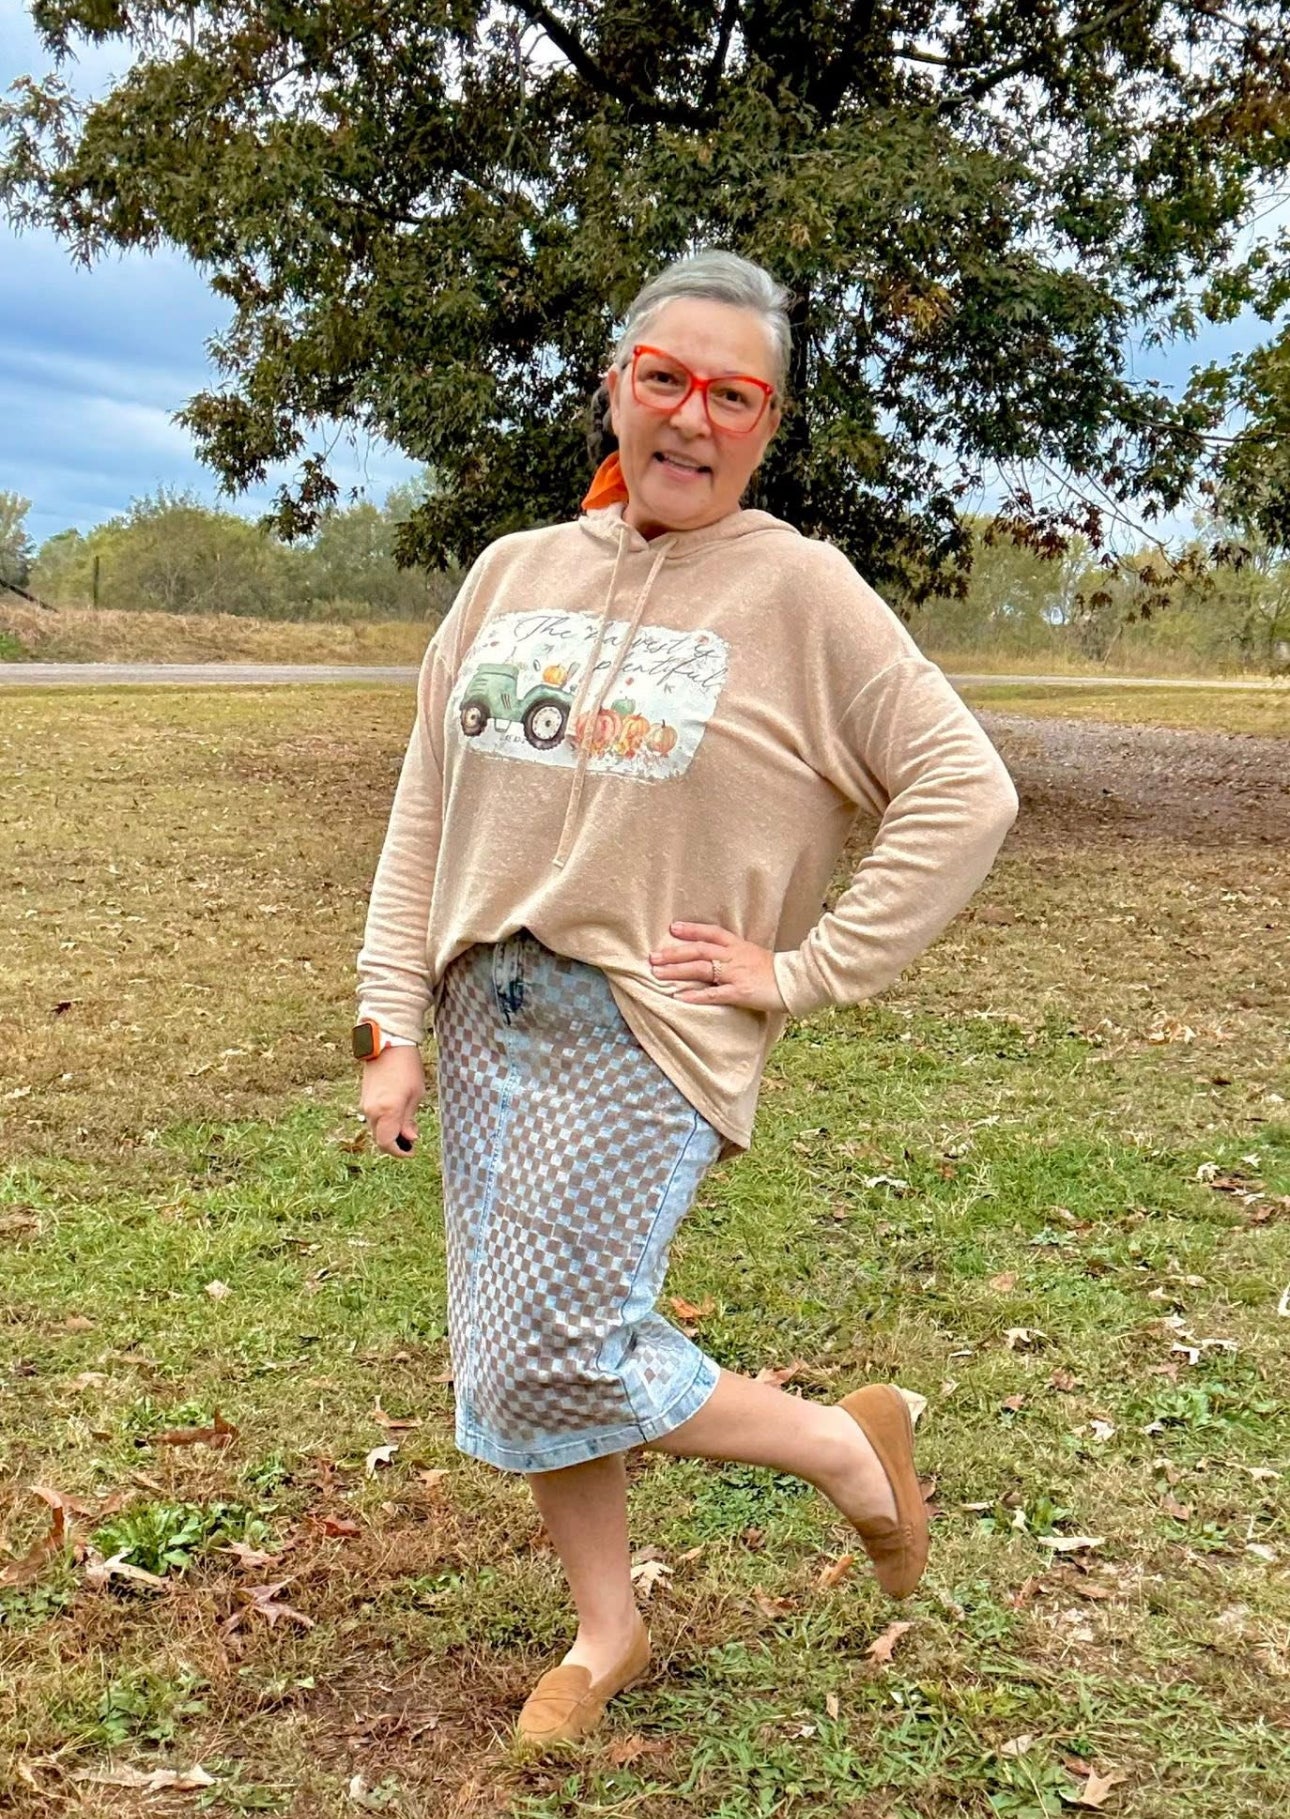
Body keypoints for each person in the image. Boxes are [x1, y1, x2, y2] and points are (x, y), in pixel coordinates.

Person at [354, 248, 1019, 1749]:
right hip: (482, 1014)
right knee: (513, 1353)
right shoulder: (512, 571)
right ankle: (609, 1633)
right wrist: (389, 1025)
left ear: (766, 424)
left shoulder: (799, 590)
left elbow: (964, 790)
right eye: (665, 378)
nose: (692, 418)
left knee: (553, 1342)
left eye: (733, 396)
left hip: (642, 1030)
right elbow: (423, 811)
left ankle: (844, 1451)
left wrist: (803, 969)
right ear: (615, 384)